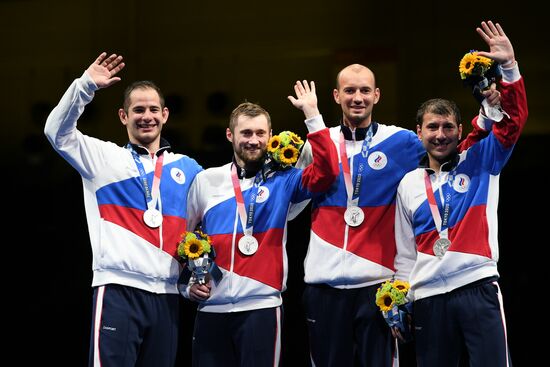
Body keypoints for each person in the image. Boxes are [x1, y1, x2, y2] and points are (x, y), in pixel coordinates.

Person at [290, 31, 503, 367]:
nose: (357, 97)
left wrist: (488, 109)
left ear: (377, 94)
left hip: (377, 284)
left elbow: (453, 149)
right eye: (349, 90)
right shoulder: (317, 143)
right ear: (336, 95)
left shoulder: (402, 141)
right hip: (323, 284)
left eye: (364, 90)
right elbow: (292, 207)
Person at [44, 52, 203, 367]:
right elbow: (55, 132)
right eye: (138, 109)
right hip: (118, 290)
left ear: (166, 115)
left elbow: (212, 224)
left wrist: (200, 276)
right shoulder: (103, 158)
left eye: (153, 109)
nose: (147, 116)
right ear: (123, 116)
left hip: (168, 297)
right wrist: (85, 86)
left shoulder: (188, 168)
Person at [394, 20, 527, 366]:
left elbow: (512, 123)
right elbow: (406, 252)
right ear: (418, 132)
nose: (440, 135)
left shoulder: (480, 161)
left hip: (477, 286)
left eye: (448, 127)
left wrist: (509, 68)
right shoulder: (408, 184)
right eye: (432, 127)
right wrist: (400, 299)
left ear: (459, 130)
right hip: (428, 299)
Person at [183, 85, 339, 367]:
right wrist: (188, 284)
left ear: (270, 136)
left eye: (260, 133)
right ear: (230, 135)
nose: (253, 141)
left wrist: (312, 114)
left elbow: (327, 173)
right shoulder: (206, 180)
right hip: (210, 310)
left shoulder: (284, 180)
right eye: (246, 133)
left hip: (261, 308)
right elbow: (182, 237)